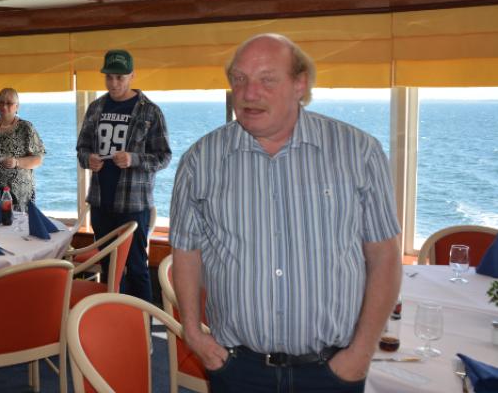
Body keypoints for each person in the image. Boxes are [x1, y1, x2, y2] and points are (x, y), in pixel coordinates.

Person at [170, 33, 401, 392]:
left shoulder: (358, 152)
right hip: (237, 368)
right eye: (239, 79)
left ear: (299, 84)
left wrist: (362, 352)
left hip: (332, 370)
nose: (249, 93)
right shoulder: (200, 160)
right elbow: (186, 250)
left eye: (267, 79)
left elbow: (384, 257)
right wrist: (192, 330)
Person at [76, 50, 171, 304]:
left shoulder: (150, 112)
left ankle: (142, 325)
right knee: (110, 271)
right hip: (101, 204)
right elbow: (82, 149)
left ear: (132, 76)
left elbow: (164, 157)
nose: (114, 83)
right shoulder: (96, 108)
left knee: (137, 269)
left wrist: (134, 159)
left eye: (120, 77)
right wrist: (88, 159)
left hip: (134, 206)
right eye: (109, 77)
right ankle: (112, 319)